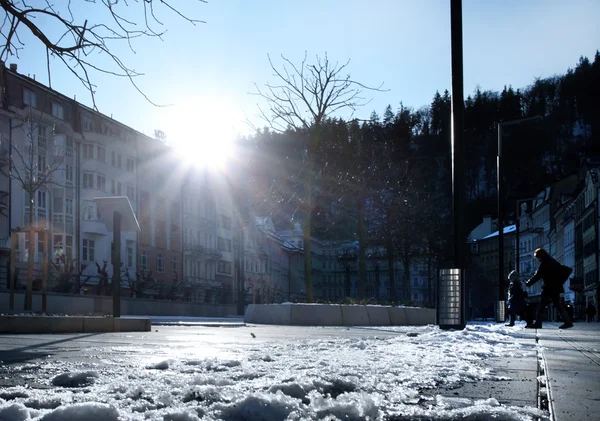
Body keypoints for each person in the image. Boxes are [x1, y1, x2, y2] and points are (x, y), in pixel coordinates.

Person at [525, 248, 574, 329]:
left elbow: (537, 276)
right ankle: (568, 322)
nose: (538, 259)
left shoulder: (544, 263)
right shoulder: (552, 261)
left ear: (540, 256)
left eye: (537, 257)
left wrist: (528, 283)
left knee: (542, 305)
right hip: (556, 287)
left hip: (549, 287)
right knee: (557, 305)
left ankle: (538, 323)